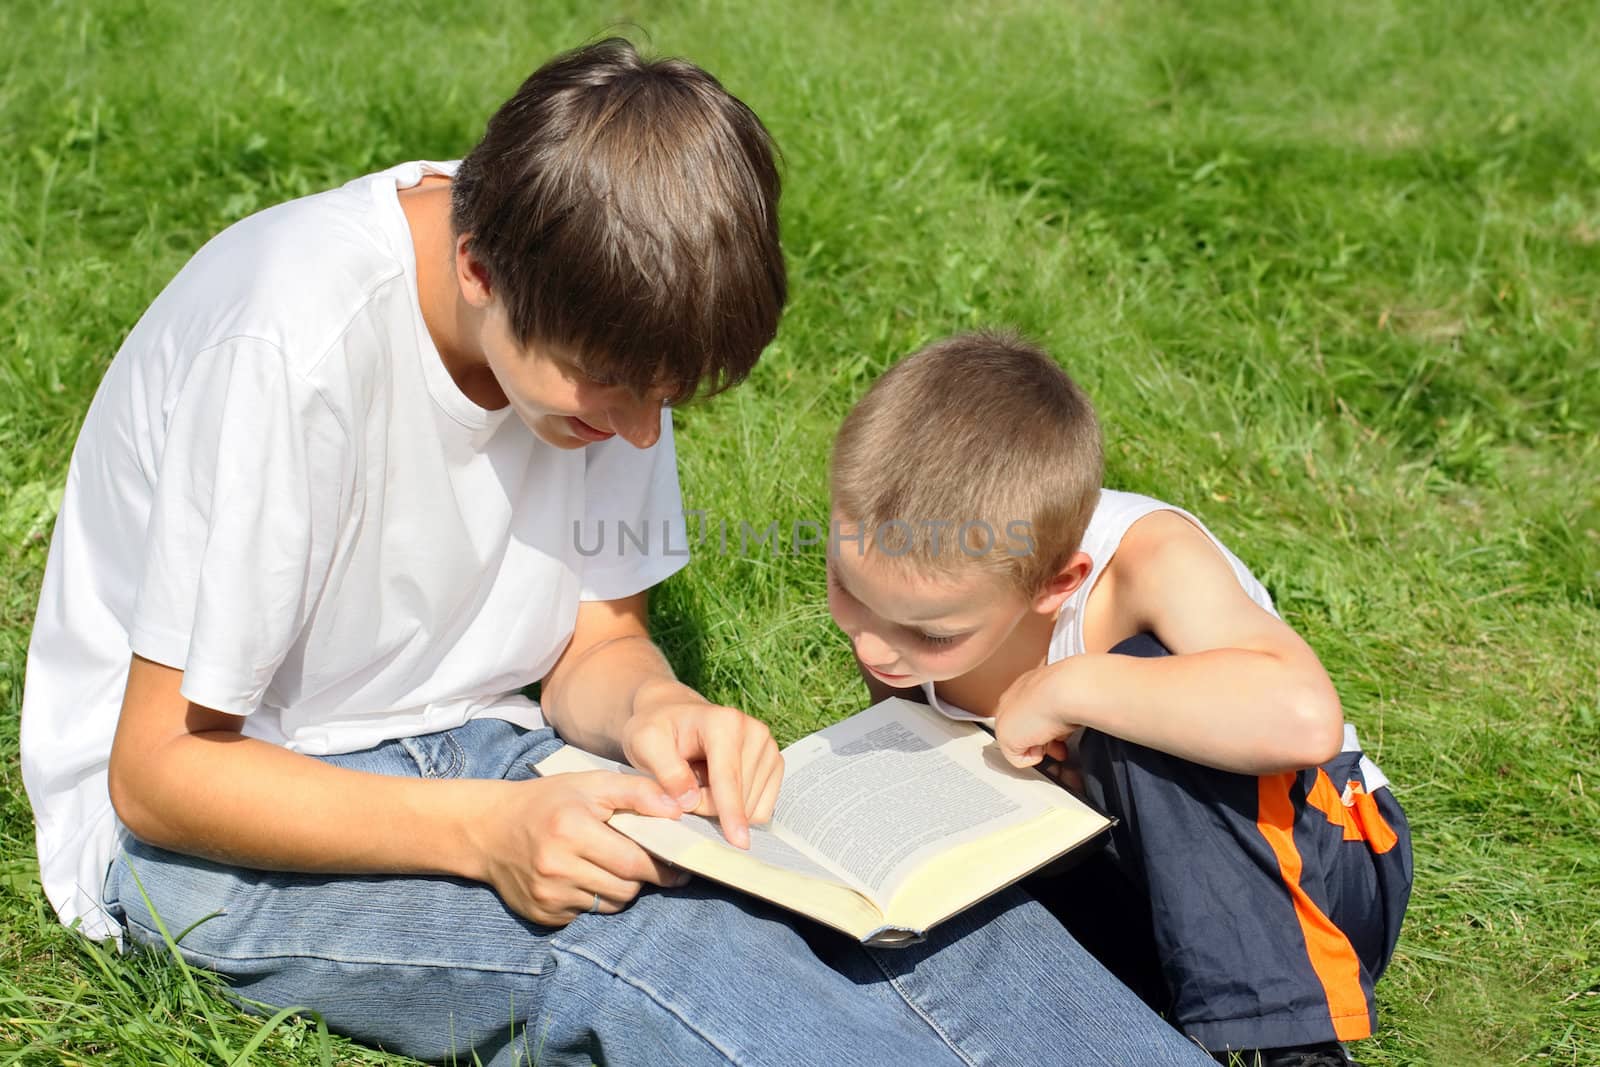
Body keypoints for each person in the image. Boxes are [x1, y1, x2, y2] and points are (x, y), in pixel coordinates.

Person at [20, 41, 1211, 1066]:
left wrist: (656, 709)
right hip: (208, 827)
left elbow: (597, 637)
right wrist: (484, 833)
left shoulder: (602, 310)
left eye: (668, 398)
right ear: (479, 271)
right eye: (613, 398)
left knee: (901, 909)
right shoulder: (287, 347)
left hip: (484, 740)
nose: (641, 431)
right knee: (643, 939)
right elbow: (160, 775)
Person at [826, 331, 1414, 1067]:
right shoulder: (916, 596)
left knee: (1141, 694)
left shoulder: (1146, 561)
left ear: (1057, 584)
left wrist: (1072, 685)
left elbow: (1303, 717)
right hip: (1130, 890)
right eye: (848, 588)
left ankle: (1293, 1043)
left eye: (932, 634)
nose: (876, 648)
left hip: (1314, 878)